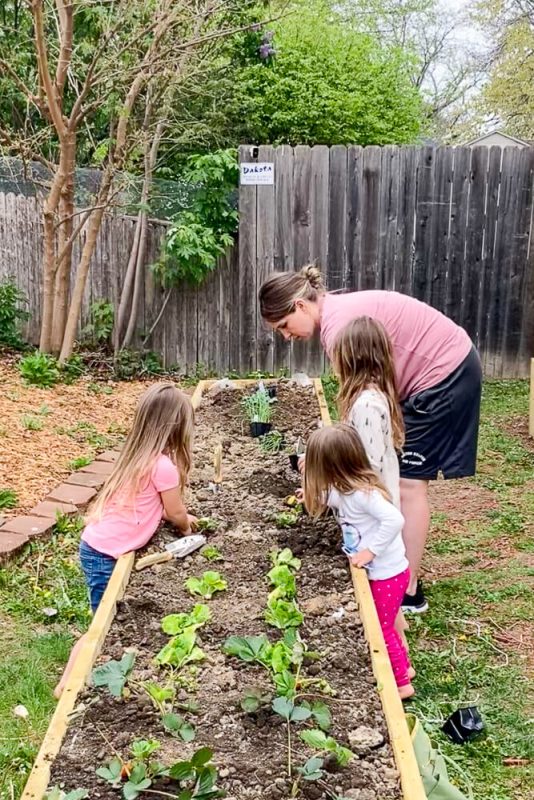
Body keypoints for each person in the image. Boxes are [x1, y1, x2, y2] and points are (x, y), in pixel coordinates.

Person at [259, 266, 482, 612]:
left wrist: (329, 466)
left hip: (444, 373)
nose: (287, 337)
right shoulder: (336, 315)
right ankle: (399, 570)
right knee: (401, 475)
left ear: (301, 306)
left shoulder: (339, 331)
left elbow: (357, 413)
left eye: (284, 327)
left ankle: (407, 591)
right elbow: (356, 417)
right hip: (443, 364)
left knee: (410, 483)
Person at [54, 382, 197, 697]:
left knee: (104, 620)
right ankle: (67, 686)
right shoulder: (163, 467)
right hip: (105, 555)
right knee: (101, 628)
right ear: (176, 427)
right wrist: (187, 529)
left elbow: (148, 504)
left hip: (97, 546)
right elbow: (175, 512)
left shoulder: (136, 456)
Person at [304, 424, 414, 699]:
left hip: (388, 573)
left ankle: (401, 685)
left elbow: (395, 520)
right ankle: (406, 668)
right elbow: (327, 497)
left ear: (332, 467)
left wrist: (371, 552)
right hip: (380, 572)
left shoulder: (365, 495)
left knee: (380, 627)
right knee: (383, 623)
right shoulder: (343, 489)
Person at [332, 316, 409, 647]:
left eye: (338, 355)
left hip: (373, 510)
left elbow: (368, 465)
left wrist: (340, 487)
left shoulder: (364, 404)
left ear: (352, 359)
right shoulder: (373, 396)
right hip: (376, 503)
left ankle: (395, 659)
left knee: (381, 595)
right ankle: (401, 643)